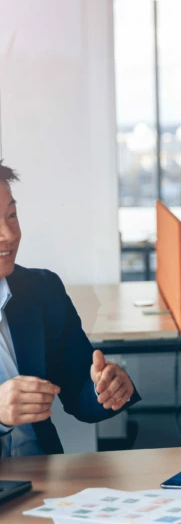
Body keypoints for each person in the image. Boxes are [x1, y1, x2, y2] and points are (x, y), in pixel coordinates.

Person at [0, 162, 139, 455]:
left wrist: (107, 388)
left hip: (42, 480)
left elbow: (80, 394)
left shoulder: (41, 289)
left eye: (12, 215)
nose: (9, 235)